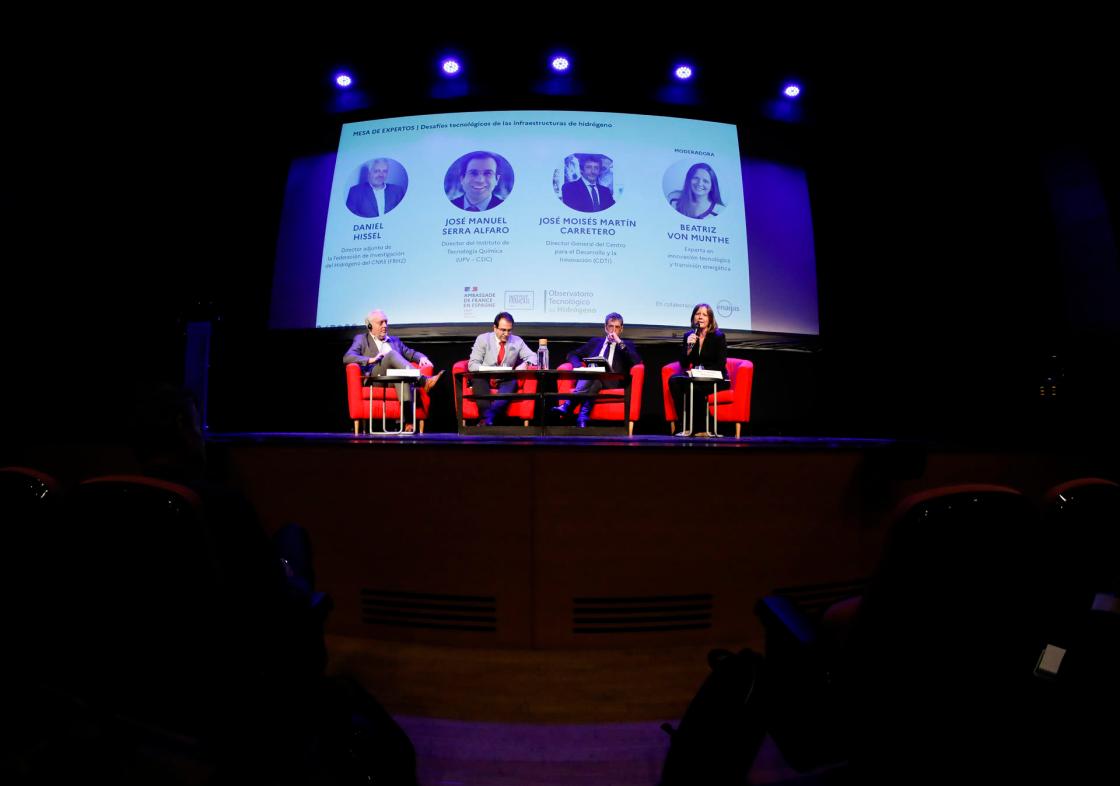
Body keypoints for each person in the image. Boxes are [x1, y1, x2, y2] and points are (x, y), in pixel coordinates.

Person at [344, 310, 444, 431]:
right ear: (370, 326)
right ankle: (423, 381)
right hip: (376, 379)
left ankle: (407, 423)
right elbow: (347, 357)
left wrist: (422, 357)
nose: (385, 326)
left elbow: (410, 353)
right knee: (391, 355)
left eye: (386, 322)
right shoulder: (362, 339)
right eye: (381, 323)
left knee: (401, 375)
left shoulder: (395, 341)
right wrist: (370, 359)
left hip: (393, 379)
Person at [552, 312, 642, 427]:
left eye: (617, 327)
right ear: (605, 327)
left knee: (593, 375)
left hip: (613, 381)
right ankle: (582, 417)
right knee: (595, 381)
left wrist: (619, 342)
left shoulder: (626, 345)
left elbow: (636, 361)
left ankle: (569, 404)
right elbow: (572, 354)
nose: (614, 330)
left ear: (621, 329)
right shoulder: (595, 342)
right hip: (594, 379)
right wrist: (578, 366)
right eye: (611, 326)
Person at [667, 303, 729, 437]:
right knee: (674, 381)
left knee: (694, 388)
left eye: (704, 315)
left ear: (710, 319)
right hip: (696, 378)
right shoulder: (689, 335)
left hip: (716, 378)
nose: (700, 317)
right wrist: (689, 347)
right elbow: (683, 363)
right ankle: (683, 425)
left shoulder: (718, 337)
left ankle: (701, 428)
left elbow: (720, 364)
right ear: (693, 317)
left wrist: (701, 372)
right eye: (697, 314)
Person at [467, 311, 537, 426]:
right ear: (495, 328)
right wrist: (488, 369)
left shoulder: (517, 341)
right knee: (478, 379)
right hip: (484, 377)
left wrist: (525, 364)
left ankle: (487, 418)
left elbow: (533, 356)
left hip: (505, 378)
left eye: (509, 330)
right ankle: (487, 418)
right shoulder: (483, 339)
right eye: (503, 330)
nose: (506, 334)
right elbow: (472, 365)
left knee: (512, 381)